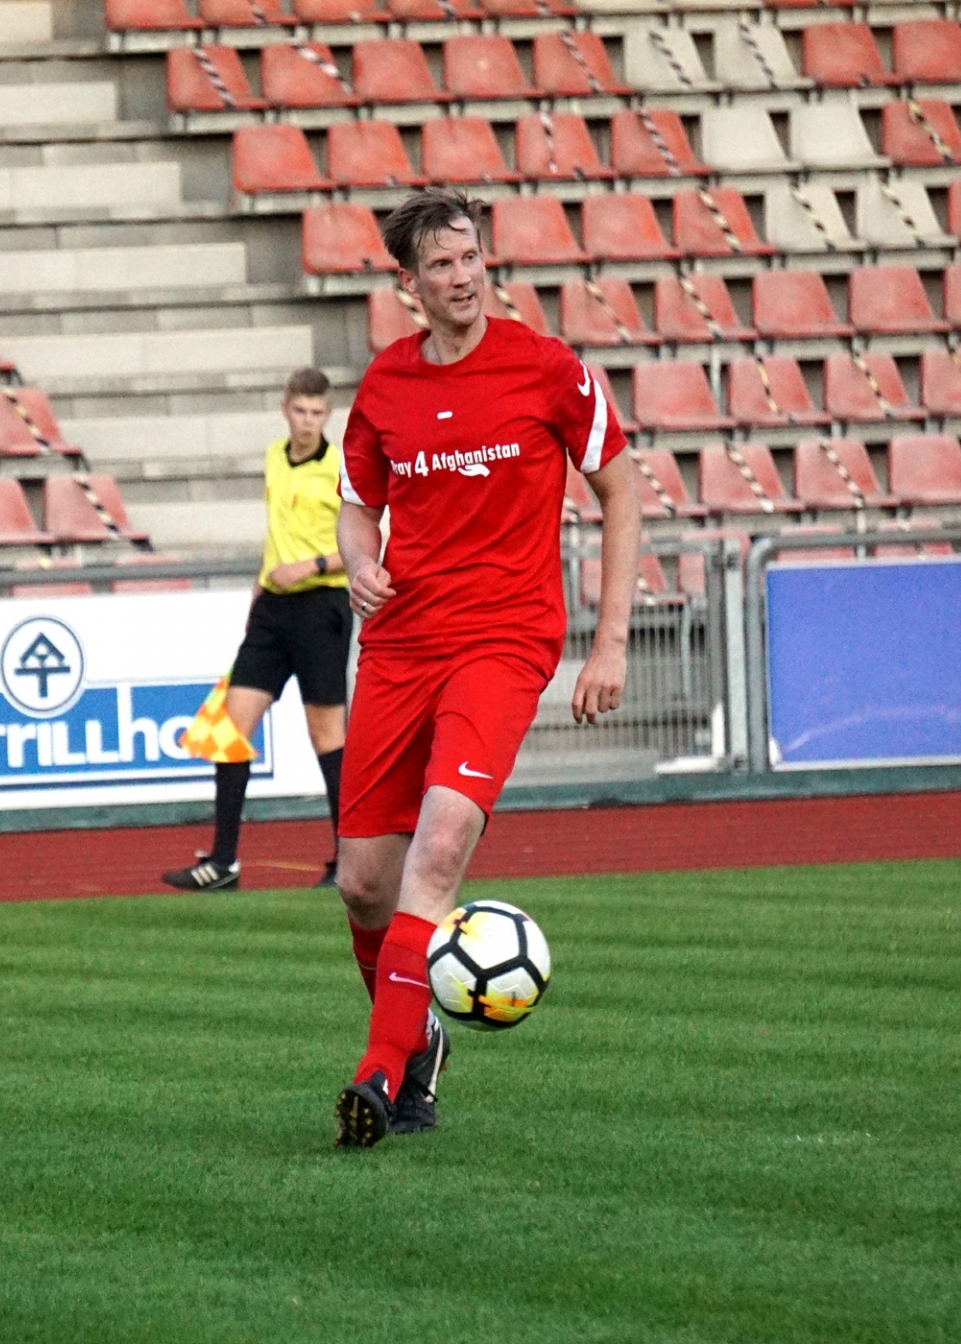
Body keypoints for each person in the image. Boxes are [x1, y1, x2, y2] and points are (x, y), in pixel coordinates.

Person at [329, 188, 640, 1147]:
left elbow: (622, 491)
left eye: (471, 258)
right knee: (362, 883)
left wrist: (610, 642)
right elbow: (356, 502)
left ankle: (381, 1071)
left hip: (504, 642)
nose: (463, 277)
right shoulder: (385, 383)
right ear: (410, 285)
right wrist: (359, 562)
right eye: (442, 265)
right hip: (400, 645)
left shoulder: (548, 370)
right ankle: (417, 1032)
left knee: (436, 853)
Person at [162, 369, 350, 893]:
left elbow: (368, 544)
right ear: (285, 408)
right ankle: (223, 863)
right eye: (300, 411)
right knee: (229, 728)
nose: (308, 421)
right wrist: (258, 592)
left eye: (317, 413)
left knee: (327, 736)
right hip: (273, 608)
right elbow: (277, 535)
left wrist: (311, 566)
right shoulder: (274, 456)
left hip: (321, 606)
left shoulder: (340, 467)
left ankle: (349, 860)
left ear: (328, 415)